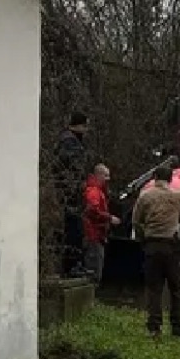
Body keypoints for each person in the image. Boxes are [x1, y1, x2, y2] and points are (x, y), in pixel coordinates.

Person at [133, 165, 180, 337]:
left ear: (155, 178)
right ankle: (178, 325)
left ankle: (154, 326)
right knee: (176, 287)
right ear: (171, 178)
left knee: (154, 287)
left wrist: (143, 238)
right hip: (172, 245)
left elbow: (136, 221)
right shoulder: (178, 196)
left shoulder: (145, 196)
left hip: (152, 244)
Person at [54, 111, 91, 277]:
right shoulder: (70, 143)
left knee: (74, 228)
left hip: (69, 191)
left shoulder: (68, 140)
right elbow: (73, 168)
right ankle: (72, 265)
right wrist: (77, 185)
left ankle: (74, 264)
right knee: (73, 229)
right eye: (85, 126)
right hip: (70, 193)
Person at [81, 163, 120, 285]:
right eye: (106, 175)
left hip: (96, 234)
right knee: (94, 271)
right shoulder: (94, 191)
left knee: (95, 268)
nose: (108, 179)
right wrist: (109, 218)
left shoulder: (97, 191)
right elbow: (92, 210)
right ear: (98, 175)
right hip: (94, 235)